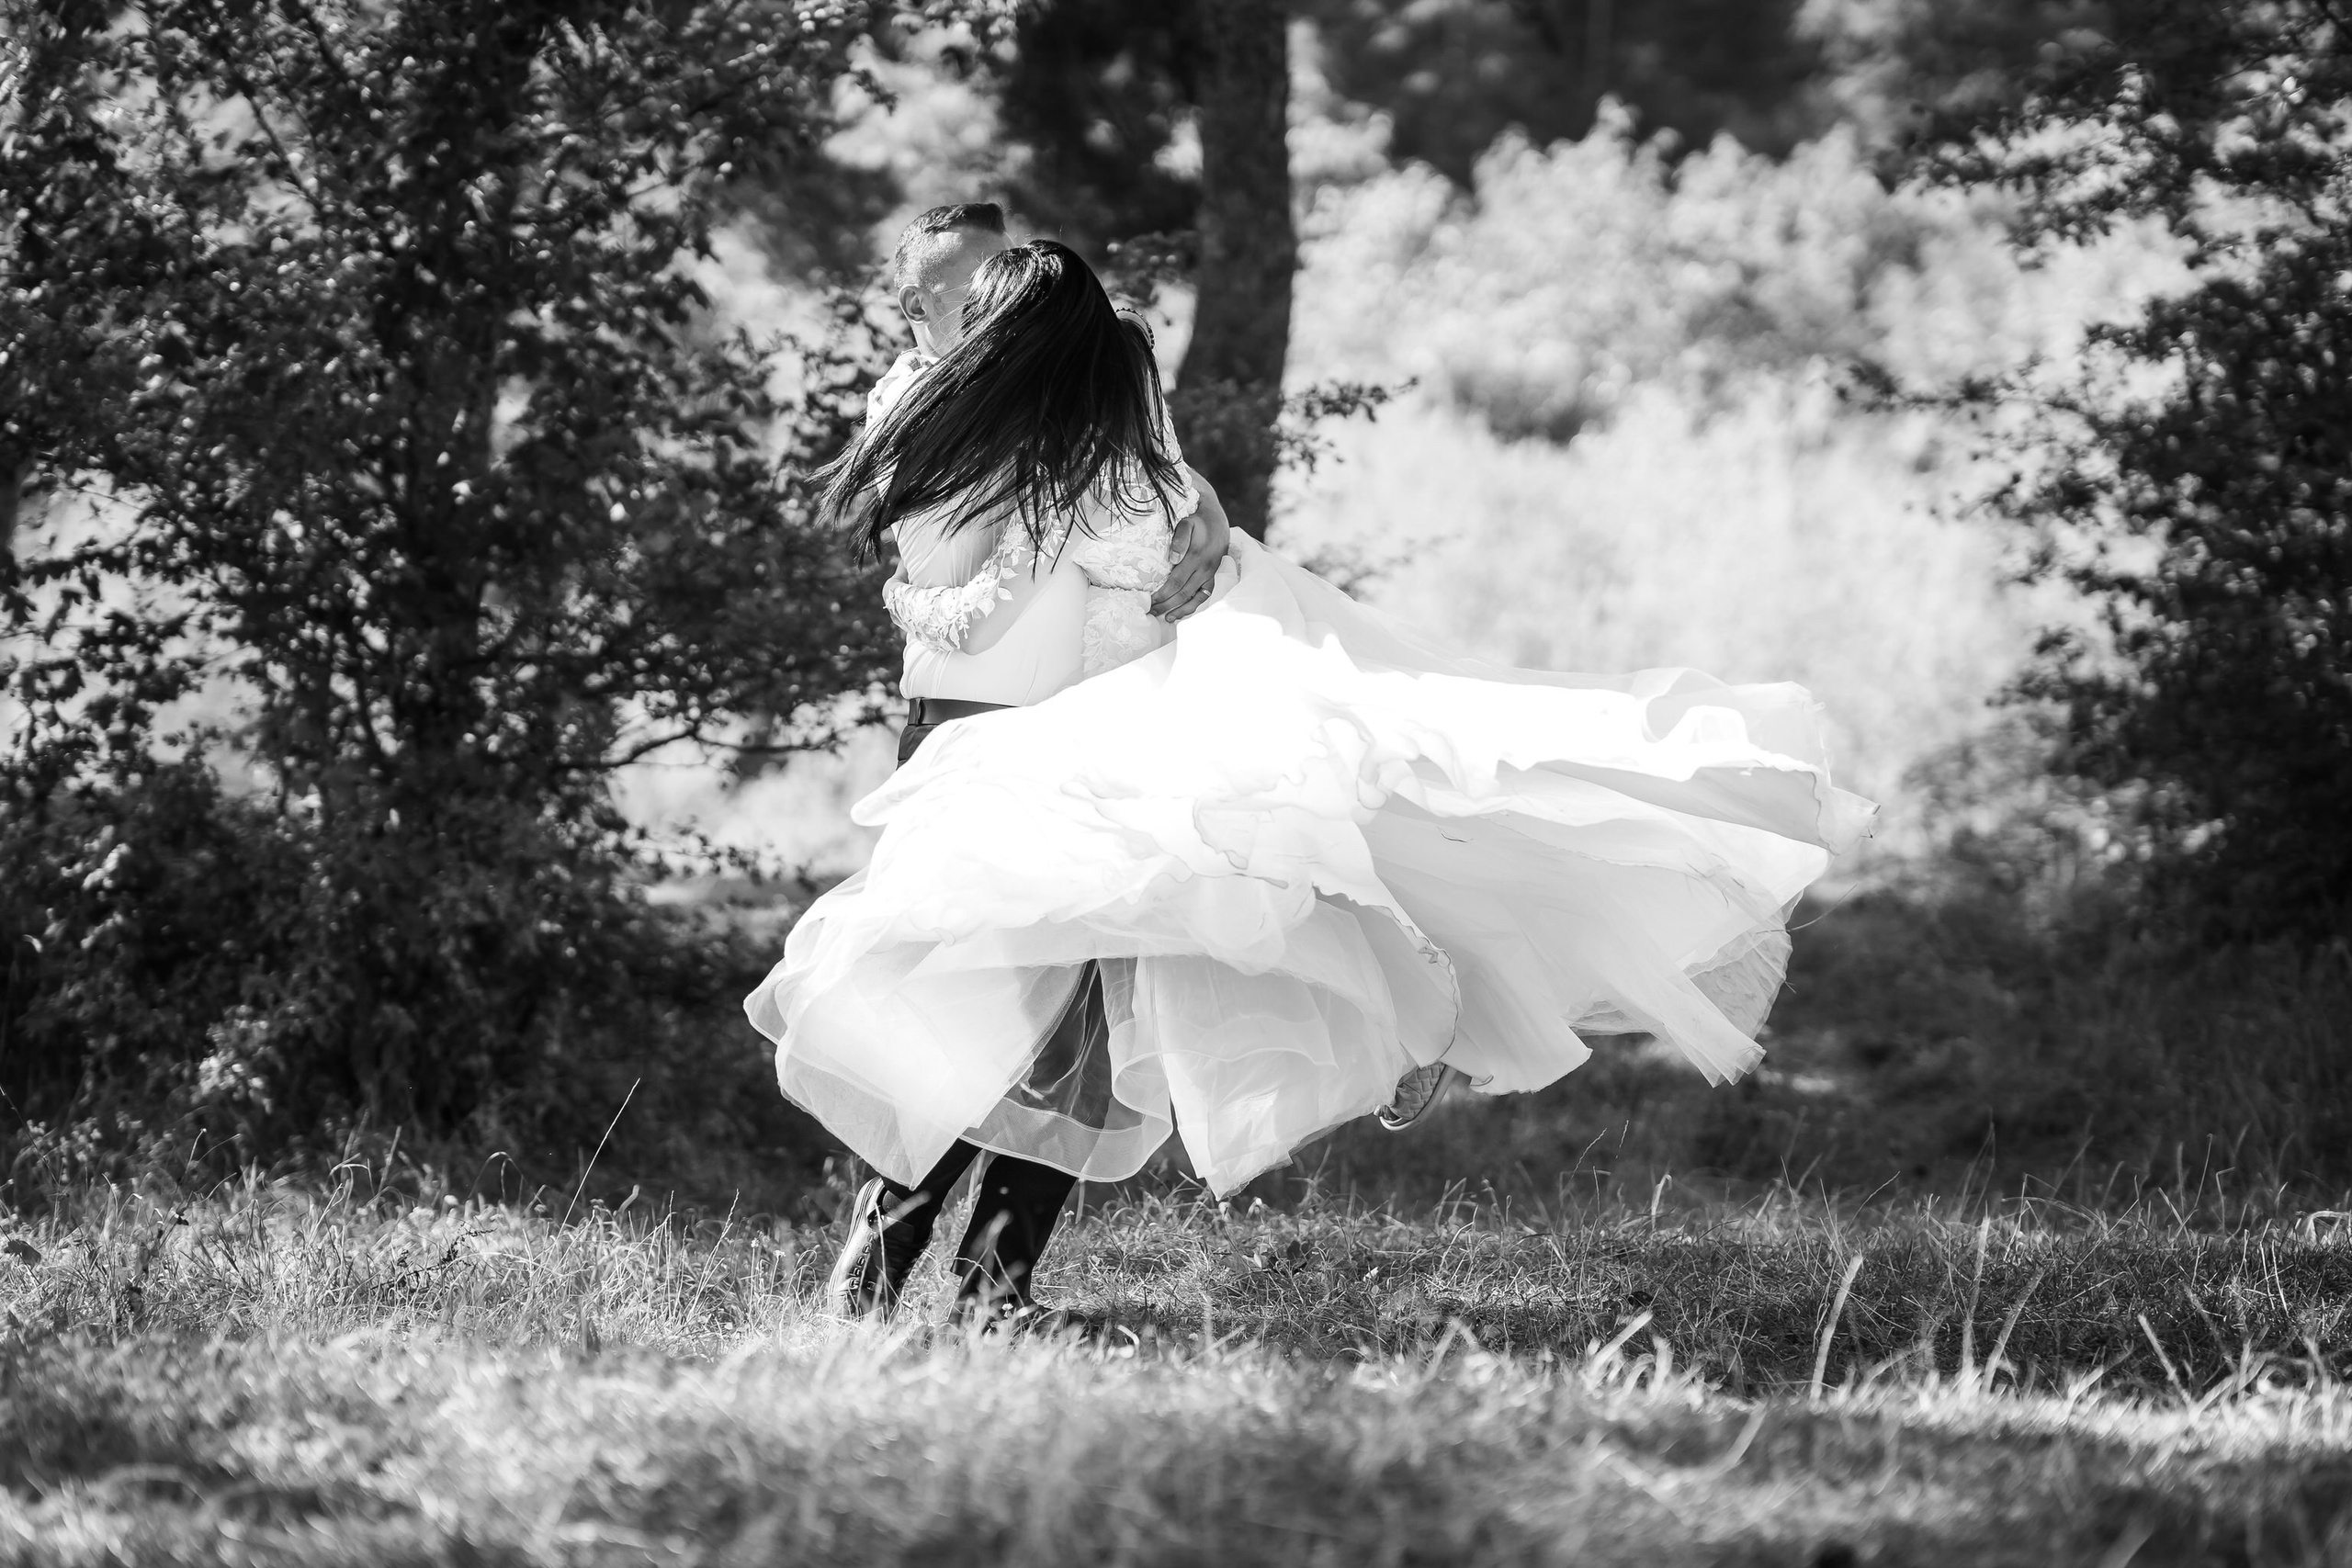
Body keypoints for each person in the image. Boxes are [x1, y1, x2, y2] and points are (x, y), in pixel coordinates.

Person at [745, 238, 1876, 1324]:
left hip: (1081, 774)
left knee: (1007, 1026)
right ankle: (986, 1284)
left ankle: (897, 1257)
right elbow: (1207, 559)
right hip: (1169, 774)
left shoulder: (1053, 483)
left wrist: (904, 593)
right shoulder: (1149, 474)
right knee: (1078, 1042)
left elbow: (969, 611)